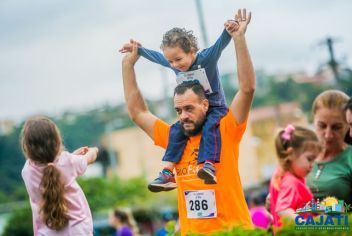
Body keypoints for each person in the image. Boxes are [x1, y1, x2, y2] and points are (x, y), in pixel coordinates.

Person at [121, 8, 254, 235]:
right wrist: (128, 65)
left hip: (233, 231)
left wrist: (239, 39)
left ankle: (208, 165)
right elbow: (137, 113)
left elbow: (247, 88)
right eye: (178, 110)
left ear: (204, 105)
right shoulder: (175, 135)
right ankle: (166, 174)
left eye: (189, 109)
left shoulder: (225, 128)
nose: (183, 116)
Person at [120, 18, 239, 191]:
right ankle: (168, 173)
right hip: (192, 112)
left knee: (210, 127)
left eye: (178, 59)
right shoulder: (174, 63)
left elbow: (220, 44)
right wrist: (138, 50)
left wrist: (230, 29)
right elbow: (157, 57)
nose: (175, 65)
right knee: (176, 130)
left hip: (214, 108)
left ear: (192, 51)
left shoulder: (207, 58)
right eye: (171, 62)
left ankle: (208, 165)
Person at [20, 116, 99, 235]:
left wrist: (72, 157)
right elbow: (90, 158)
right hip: (78, 230)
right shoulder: (67, 161)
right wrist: (94, 149)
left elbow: (54, 169)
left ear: (27, 146)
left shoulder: (27, 171)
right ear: (56, 141)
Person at [306, 90, 352, 211]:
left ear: (348, 125)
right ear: (313, 121)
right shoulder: (299, 154)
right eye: (322, 126)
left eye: (336, 127)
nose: (328, 135)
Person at [269, 124, 321, 230]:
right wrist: (307, 225)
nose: (312, 165)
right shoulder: (290, 182)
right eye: (309, 159)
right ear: (291, 153)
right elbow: (283, 210)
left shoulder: (281, 175)